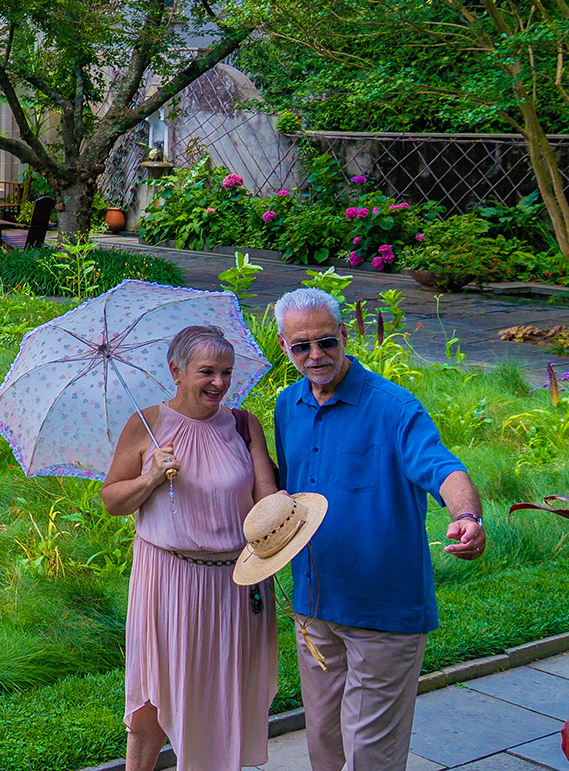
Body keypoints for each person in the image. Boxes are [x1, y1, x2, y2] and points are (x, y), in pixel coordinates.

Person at [272, 287, 486, 771]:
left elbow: (443, 468)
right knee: (324, 740)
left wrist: (466, 517)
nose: (316, 355)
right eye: (301, 346)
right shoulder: (288, 405)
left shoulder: (392, 405)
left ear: (345, 336)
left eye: (326, 341)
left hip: (381, 608)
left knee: (371, 753)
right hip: (314, 603)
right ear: (285, 347)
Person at [103, 325, 282, 770]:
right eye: (206, 372)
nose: (219, 383)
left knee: (225, 697)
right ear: (176, 371)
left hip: (237, 582)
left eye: (226, 372)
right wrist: (149, 478)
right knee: (151, 704)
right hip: (167, 579)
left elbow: (267, 499)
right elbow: (112, 501)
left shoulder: (243, 424)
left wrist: (287, 530)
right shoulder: (147, 425)